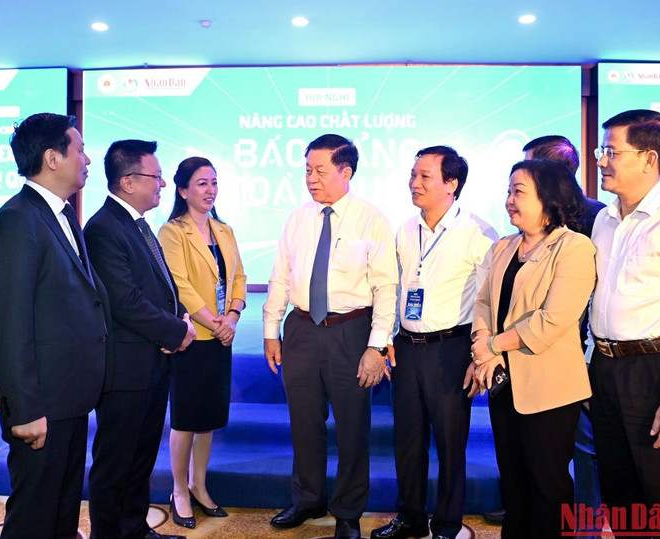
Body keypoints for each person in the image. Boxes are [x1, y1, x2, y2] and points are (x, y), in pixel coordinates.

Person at [263, 134, 398, 539]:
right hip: (301, 328)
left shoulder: (371, 219)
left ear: (346, 172)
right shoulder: (298, 217)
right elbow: (280, 276)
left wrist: (376, 346)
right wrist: (271, 330)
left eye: (320, 170)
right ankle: (307, 499)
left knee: (353, 427)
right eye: (307, 170)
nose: (311, 178)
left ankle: (348, 512)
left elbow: (386, 287)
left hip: (350, 331)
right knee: (304, 423)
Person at [0, 113, 110, 539]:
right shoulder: (18, 219)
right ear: (53, 158)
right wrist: (26, 409)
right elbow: (9, 321)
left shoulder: (61, 214)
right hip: (42, 405)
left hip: (68, 398)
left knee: (62, 512)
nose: (87, 159)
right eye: (80, 150)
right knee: (35, 518)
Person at [465, 159, 596, 539]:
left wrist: (492, 344)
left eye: (518, 192)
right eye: (509, 191)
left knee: (548, 485)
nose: (509, 200)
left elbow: (553, 319)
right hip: (504, 383)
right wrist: (482, 343)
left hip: (550, 388)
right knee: (514, 482)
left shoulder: (574, 247)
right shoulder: (504, 246)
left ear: (548, 196)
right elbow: (483, 303)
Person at [371, 146, 497, 539]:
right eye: (413, 174)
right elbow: (395, 288)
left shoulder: (479, 233)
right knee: (407, 439)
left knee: (449, 441)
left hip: (452, 348)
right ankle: (409, 516)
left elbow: (489, 301)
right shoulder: (405, 229)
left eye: (425, 176)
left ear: (451, 183)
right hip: (407, 347)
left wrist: (480, 355)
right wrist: (387, 337)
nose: (414, 182)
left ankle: (446, 522)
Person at [84, 140, 195, 539]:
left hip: (152, 363)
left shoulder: (137, 224)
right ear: (129, 182)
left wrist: (179, 315)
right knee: (117, 462)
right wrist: (177, 331)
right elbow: (125, 301)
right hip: (126, 370)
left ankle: (135, 530)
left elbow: (159, 287)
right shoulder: (103, 229)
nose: (163, 183)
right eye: (156, 176)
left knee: (141, 457)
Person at [589, 109, 660, 524]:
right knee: (619, 492)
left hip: (656, 371)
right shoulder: (603, 219)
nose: (601, 161)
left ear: (649, 159)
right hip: (605, 369)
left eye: (612, 151)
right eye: (602, 151)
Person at [158, 157, 247, 529]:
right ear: (182, 190)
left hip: (221, 337)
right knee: (186, 420)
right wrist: (214, 322)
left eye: (214, 182)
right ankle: (179, 490)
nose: (210, 190)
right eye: (201, 183)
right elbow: (180, 286)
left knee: (207, 419)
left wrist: (232, 317)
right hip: (192, 339)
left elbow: (239, 278)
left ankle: (199, 485)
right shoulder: (172, 232)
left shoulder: (224, 230)